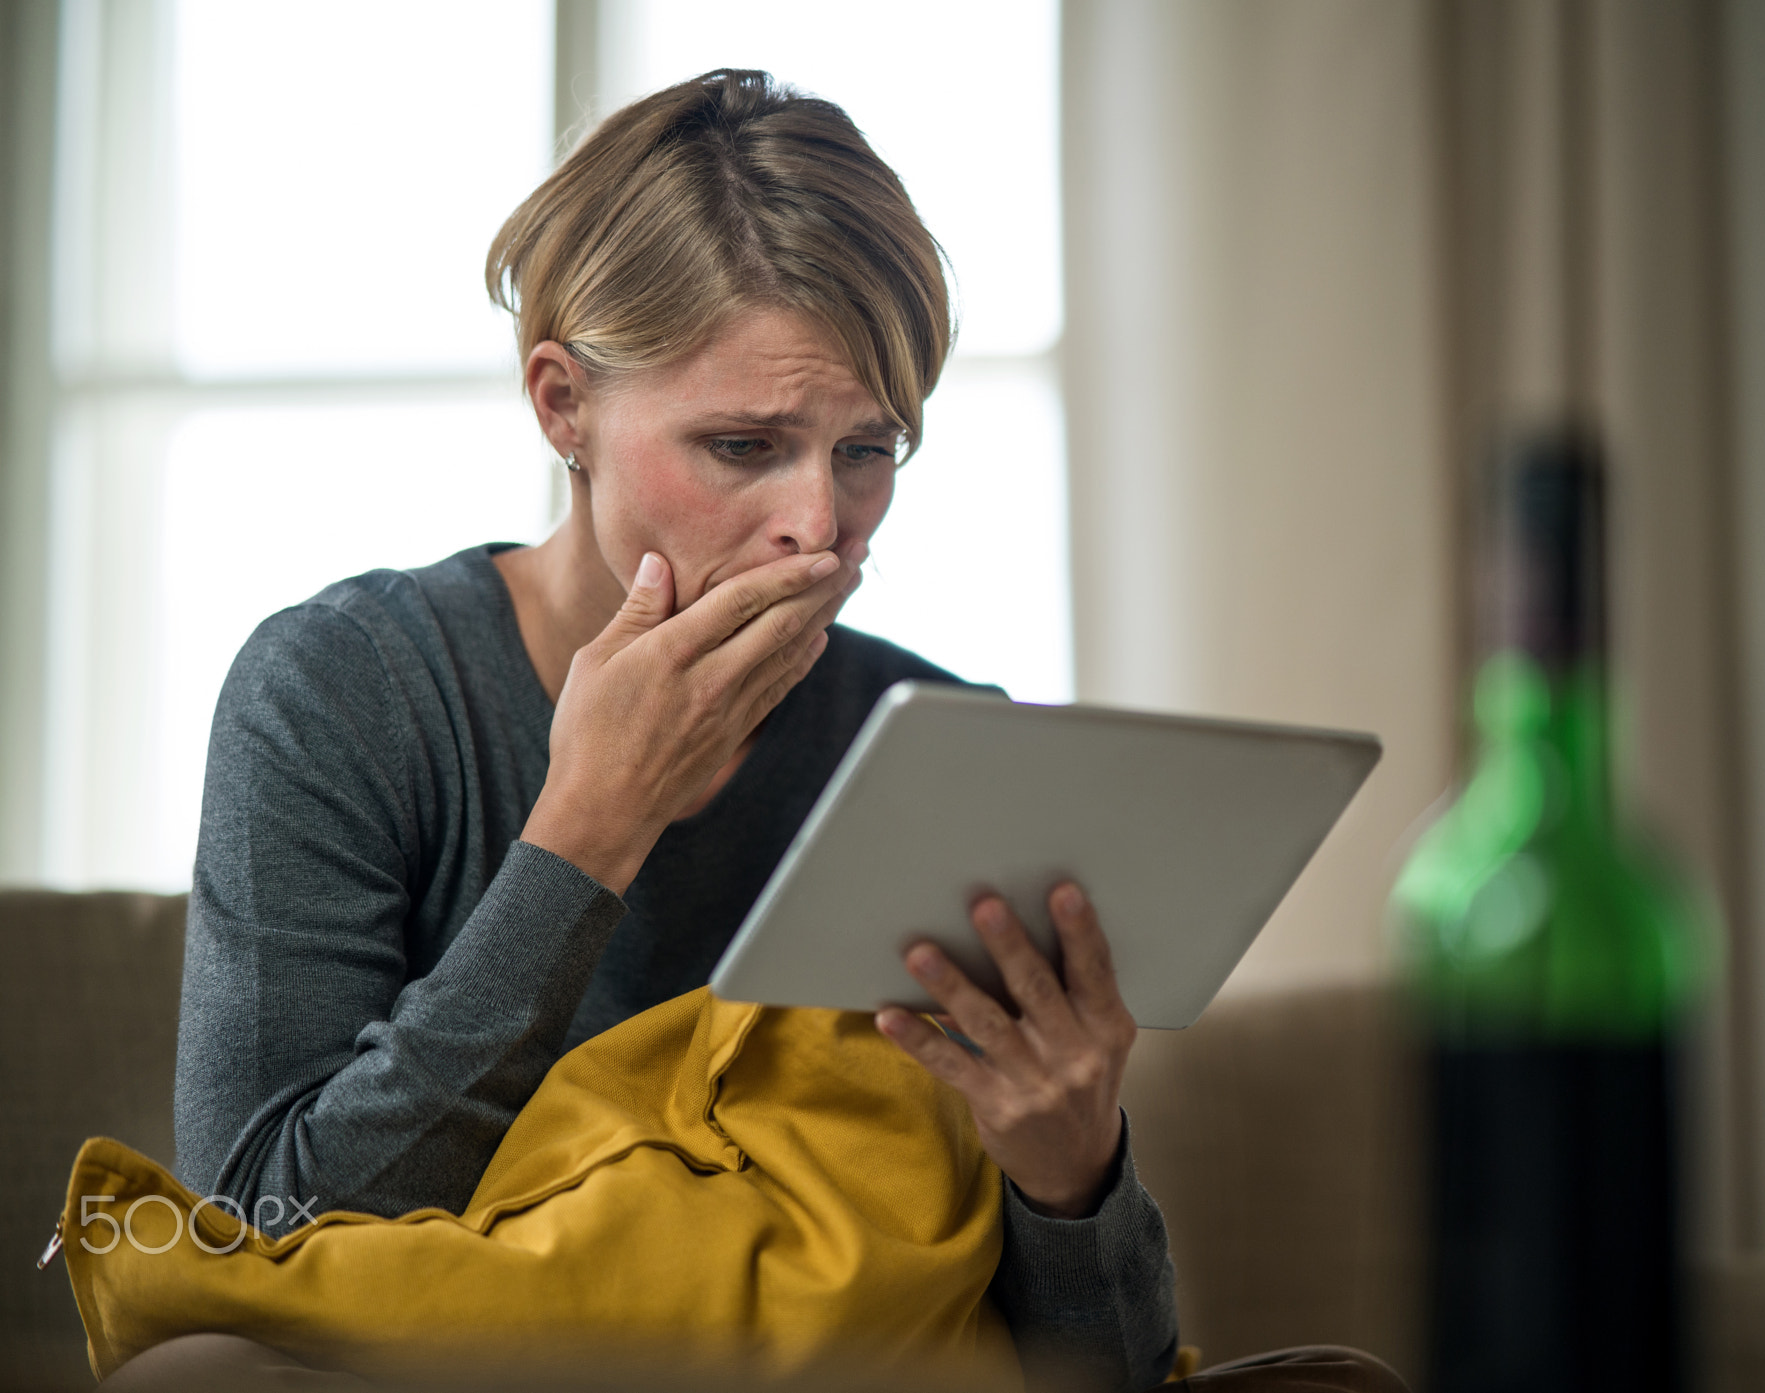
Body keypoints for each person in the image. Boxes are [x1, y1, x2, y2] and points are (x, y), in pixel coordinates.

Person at [157, 71, 1405, 1393]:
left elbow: (1104, 1370)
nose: (820, 523)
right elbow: (252, 1239)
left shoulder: (930, 745)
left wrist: (1069, 1166)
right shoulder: (344, 692)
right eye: (744, 445)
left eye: (868, 451)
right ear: (561, 406)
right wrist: (584, 835)